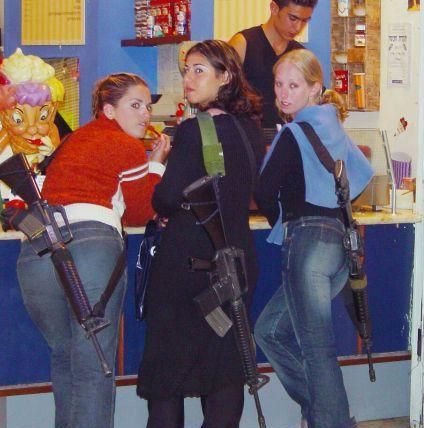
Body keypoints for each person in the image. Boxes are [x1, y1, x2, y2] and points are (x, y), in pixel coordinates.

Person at [12, 73, 170, 428]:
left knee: (65, 357)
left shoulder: (73, 140)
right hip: (90, 250)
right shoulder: (126, 144)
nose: (145, 114)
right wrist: (157, 163)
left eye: (147, 107)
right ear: (108, 110)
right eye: (135, 105)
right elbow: (141, 211)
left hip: (37, 252)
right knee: (93, 366)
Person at [137, 40, 264, 427]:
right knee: (225, 372)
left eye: (199, 70)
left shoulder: (193, 131)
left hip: (188, 267)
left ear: (224, 77)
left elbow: (165, 198)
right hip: (236, 263)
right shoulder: (250, 130)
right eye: (186, 71)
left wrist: (156, 165)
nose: (188, 79)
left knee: (167, 377)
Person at [254, 49, 373, 428]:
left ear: (314, 89)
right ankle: (323, 412)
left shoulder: (292, 133)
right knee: (269, 331)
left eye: (294, 86)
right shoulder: (334, 127)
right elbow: (362, 175)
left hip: (306, 246)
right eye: (279, 84)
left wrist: (283, 221)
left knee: (316, 348)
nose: (283, 93)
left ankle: (332, 421)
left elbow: (263, 189)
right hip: (340, 248)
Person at [228, 0, 317, 130]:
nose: (298, 28)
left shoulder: (300, 54)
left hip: (285, 136)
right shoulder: (242, 44)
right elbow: (221, 95)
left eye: (304, 21)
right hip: (246, 135)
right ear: (274, 8)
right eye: (293, 18)